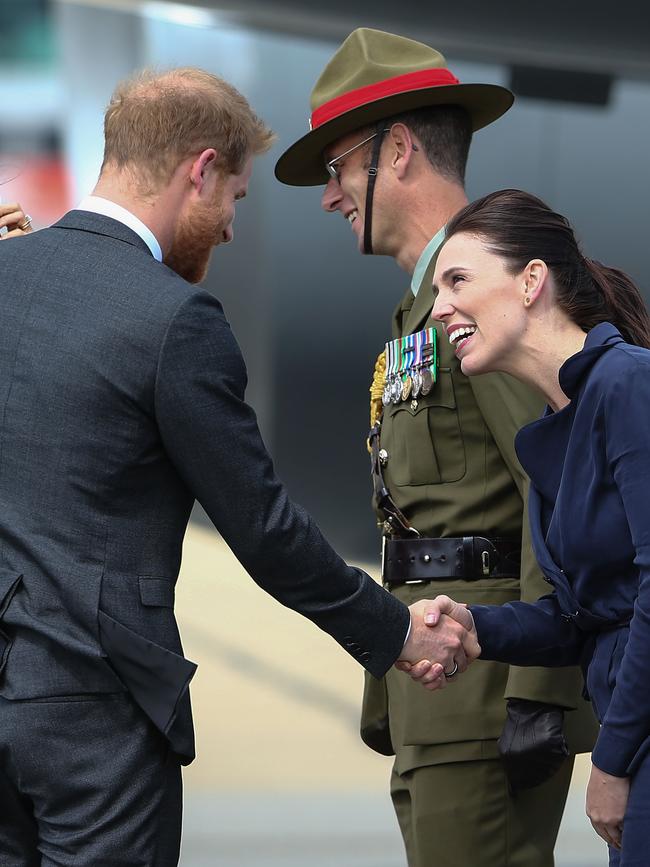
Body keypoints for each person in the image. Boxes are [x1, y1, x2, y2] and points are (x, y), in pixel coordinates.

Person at [0, 67, 478, 867]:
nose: (228, 228)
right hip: (96, 719)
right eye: (236, 198)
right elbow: (262, 527)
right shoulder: (173, 319)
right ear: (201, 169)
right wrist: (393, 630)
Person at [275, 28, 598, 867]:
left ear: (401, 149)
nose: (330, 193)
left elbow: (553, 488)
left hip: (487, 695)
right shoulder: (423, 311)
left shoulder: (478, 298)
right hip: (441, 695)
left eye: (339, 165)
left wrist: (537, 691)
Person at [421, 187, 650, 865]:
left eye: (458, 279)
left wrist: (609, 762)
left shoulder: (628, 387)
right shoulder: (551, 429)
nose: (439, 309)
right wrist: (476, 626)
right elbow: (584, 617)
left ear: (531, 281)